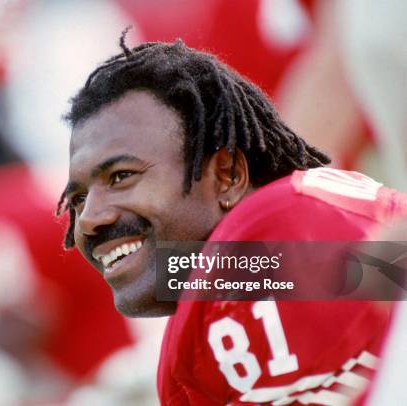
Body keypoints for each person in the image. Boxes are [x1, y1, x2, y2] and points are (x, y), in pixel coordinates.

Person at [57, 34, 407, 404]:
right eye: (78, 199)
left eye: (121, 176)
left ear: (227, 174)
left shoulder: (261, 238)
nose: (88, 220)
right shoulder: (282, 230)